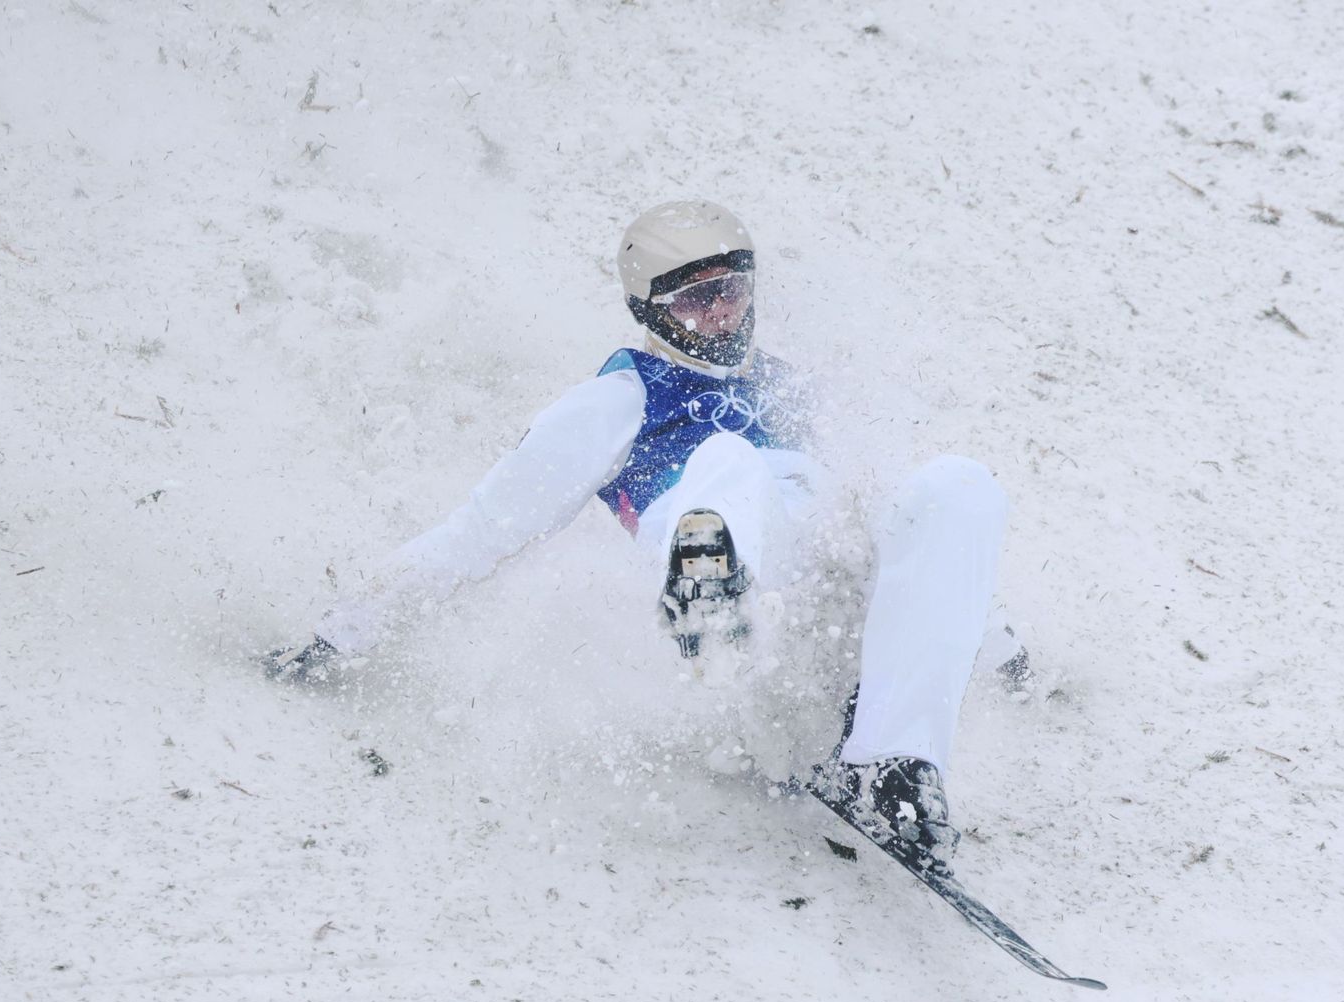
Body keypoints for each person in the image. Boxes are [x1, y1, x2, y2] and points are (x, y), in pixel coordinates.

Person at [265, 200, 1033, 870]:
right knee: (730, 463)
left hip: (819, 566)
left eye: (730, 293)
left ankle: (894, 765)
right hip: (703, 572)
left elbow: (897, 535)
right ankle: (709, 585)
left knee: (956, 483)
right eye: (696, 303)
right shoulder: (617, 400)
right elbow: (479, 531)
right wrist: (343, 637)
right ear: (649, 310)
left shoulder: (793, 387)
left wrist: (996, 646)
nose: (721, 317)